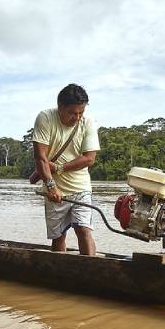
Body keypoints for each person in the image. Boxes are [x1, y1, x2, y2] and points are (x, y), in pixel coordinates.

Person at [31, 83, 100, 255]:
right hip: (53, 188)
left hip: (81, 187)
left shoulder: (88, 123)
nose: (77, 117)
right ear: (60, 107)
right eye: (72, 113)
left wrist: (60, 168)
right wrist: (51, 186)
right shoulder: (45, 118)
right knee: (59, 236)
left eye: (81, 112)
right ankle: (60, 272)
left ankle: (90, 270)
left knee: (84, 230)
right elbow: (40, 158)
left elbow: (89, 159)